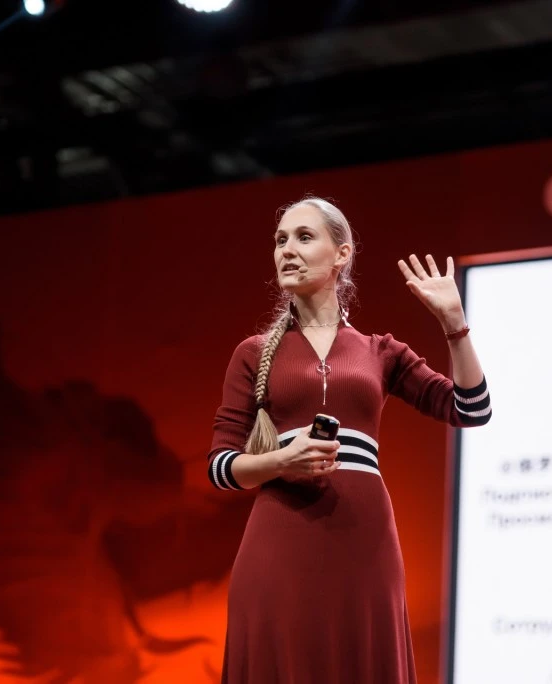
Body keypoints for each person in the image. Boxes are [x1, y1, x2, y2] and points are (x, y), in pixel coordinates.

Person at [206, 196, 492, 683]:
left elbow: (472, 409)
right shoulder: (253, 353)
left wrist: (454, 327)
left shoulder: (381, 351)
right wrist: (280, 462)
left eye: (304, 237)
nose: (287, 251)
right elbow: (220, 467)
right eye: (280, 241)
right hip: (278, 546)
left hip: (365, 544)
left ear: (342, 254)